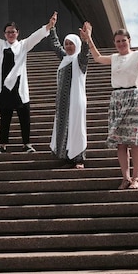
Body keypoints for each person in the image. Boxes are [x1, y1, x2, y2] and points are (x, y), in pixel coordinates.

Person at [83, 24, 138, 189]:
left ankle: (136, 178)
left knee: (134, 139)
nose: (121, 44)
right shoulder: (114, 58)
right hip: (117, 99)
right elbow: (98, 57)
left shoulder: (137, 55)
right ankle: (125, 177)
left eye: (123, 40)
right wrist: (89, 39)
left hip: (133, 97)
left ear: (129, 41)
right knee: (120, 142)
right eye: (118, 41)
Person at [0, 12, 56, 154]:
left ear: (17, 33)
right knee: (5, 118)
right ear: (4, 34)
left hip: (19, 88)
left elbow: (35, 37)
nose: (10, 34)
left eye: (13, 32)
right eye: (8, 32)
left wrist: (49, 26)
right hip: (4, 88)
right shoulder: (0, 45)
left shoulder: (23, 45)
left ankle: (27, 144)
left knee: (24, 117)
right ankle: (3, 145)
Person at [49, 21, 90, 168]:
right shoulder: (66, 59)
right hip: (62, 101)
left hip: (75, 100)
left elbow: (85, 52)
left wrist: (86, 40)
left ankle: (79, 158)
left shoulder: (79, 60)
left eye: (71, 43)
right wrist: (52, 28)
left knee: (76, 127)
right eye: (66, 43)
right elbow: (55, 46)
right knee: (64, 126)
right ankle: (67, 156)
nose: (68, 46)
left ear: (77, 44)